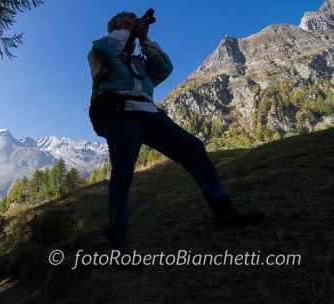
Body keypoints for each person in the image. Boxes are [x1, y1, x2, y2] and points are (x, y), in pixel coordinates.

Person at [87, 11, 266, 253]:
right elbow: (108, 49)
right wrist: (126, 30)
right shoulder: (100, 51)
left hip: (150, 114)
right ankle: (118, 240)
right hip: (120, 115)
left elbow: (164, 68)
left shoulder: (140, 62)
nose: (133, 20)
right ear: (115, 27)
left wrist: (144, 39)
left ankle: (224, 211)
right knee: (122, 174)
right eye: (127, 18)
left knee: (192, 147)